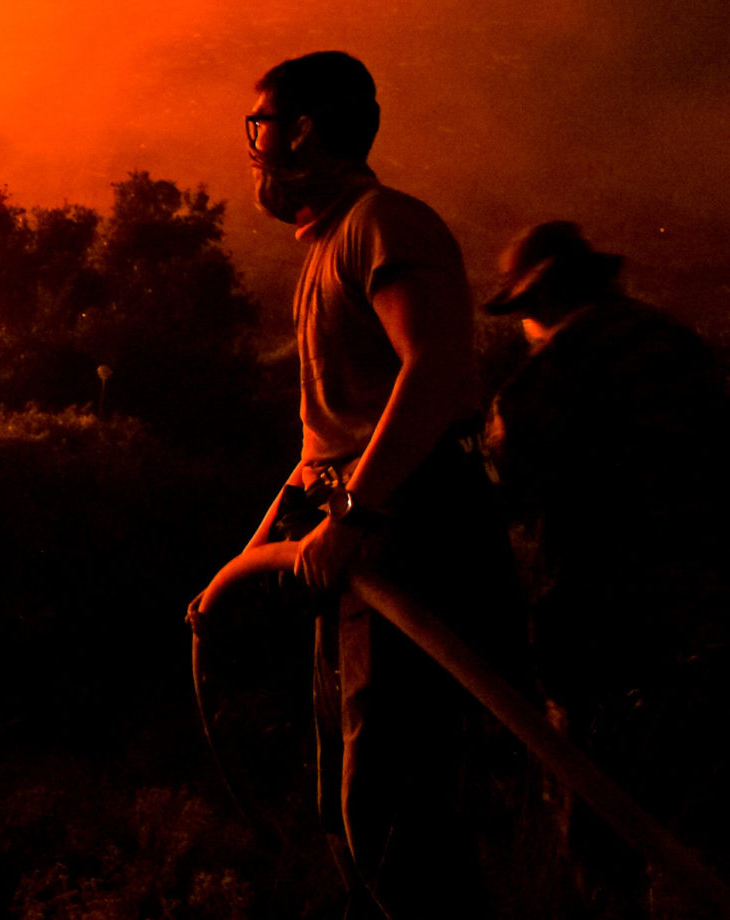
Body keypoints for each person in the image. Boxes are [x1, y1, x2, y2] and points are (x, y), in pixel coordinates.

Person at [190, 51, 521, 918]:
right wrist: (249, 558)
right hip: (359, 537)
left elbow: (439, 368)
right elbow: (324, 445)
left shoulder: (384, 225)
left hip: (407, 533)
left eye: (261, 127)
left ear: (301, 131)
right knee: (352, 808)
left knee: (391, 806)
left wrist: (358, 513)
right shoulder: (331, 245)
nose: (254, 149)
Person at [483, 222, 728, 911]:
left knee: (602, 842)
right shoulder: (679, 345)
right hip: (716, 624)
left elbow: (502, 496)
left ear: (539, 300)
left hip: (612, 640)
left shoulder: (551, 374)